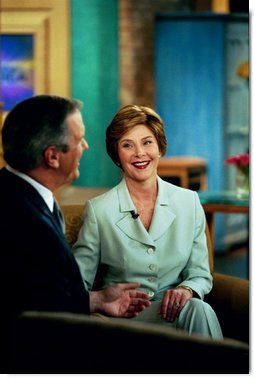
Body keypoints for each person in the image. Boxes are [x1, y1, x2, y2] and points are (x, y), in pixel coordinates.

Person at [0, 96, 151, 360]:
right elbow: (40, 321)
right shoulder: (26, 223)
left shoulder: (17, 192)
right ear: (53, 156)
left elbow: (36, 296)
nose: (86, 145)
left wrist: (97, 300)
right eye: (79, 139)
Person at [73, 104, 223, 339]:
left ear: (160, 147)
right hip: (122, 318)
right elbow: (77, 283)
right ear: (117, 155)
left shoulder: (189, 202)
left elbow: (200, 273)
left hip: (173, 314)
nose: (139, 153)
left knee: (199, 309)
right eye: (127, 145)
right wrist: (100, 301)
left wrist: (187, 289)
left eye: (147, 142)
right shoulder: (98, 211)